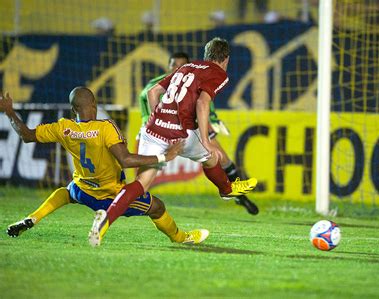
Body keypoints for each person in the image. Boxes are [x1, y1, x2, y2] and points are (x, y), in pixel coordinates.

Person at [89, 37, 258, 246]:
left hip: (153, 129)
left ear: (206, 54)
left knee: (141, 184)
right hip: (181, 132)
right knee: (213, 155)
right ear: (226, 59)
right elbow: (203, 103)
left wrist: (158, 117)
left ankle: (104, 221)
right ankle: (226, 189)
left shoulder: (186, 67)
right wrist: (205, 139)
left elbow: (153, 92)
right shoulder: (218, 72)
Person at [1, 87, 208, 246]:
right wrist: (163, 156)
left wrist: (9, 111)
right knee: (157, 207)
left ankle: (31, 219)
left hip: (83, 190)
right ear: (95, 104)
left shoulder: (63, 127)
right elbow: (125, 160)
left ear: (74, 109)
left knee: (66, 193)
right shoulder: (106, 128)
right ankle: (181, 238)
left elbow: (26, 135)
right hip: (112, 195)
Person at [138, 52, 259, 215]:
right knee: (143, 179)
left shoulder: (195, 77)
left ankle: (241, 198)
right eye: (173, 64)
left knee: (221, 158)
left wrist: (213, 122)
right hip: (159, 130)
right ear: (168, 65)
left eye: (179, 65)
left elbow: (206, 104)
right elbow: (145, 96)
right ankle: (132, 200)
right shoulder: (158, 82)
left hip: (189, 126)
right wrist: (151, 118)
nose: (176, 68)